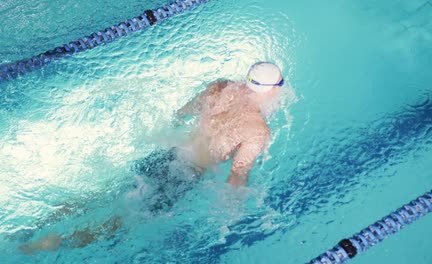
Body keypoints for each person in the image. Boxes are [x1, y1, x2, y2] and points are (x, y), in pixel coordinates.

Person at [19, 61, 284, 254]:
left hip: (168, 154)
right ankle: (55, 243)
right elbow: (238, 173)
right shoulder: (257, 130)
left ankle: (32, 226)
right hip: (185, 175)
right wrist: (232, 209)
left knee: (105, 196)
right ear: (273, 90)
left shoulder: (220, 86)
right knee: (119, 224)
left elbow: (182, 113)